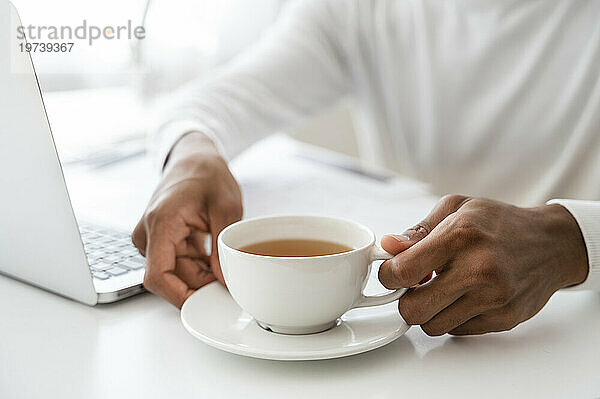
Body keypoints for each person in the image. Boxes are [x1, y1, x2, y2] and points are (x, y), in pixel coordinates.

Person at [132, 0, 599, 336]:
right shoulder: (357, 9)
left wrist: (571, 239)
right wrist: (190, 156)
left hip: (580, 327)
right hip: (411, 343)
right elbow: (211, 103)